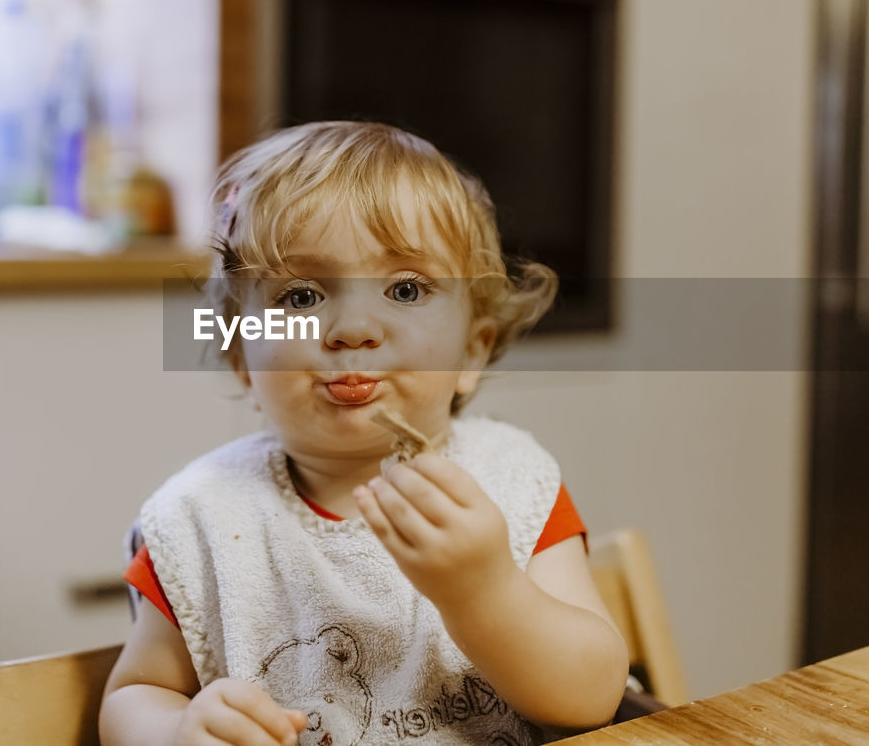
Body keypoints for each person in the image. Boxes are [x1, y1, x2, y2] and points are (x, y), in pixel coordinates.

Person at [99, 122, 628, 746]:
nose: (351, 328)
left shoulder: (512, 482)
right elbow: (134, 695)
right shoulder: (202, 516)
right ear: (242, 359)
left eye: (405, 289)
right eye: (301, 296)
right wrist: (179, 731)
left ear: (472, 352)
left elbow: (592, 698)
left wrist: (484, 592)